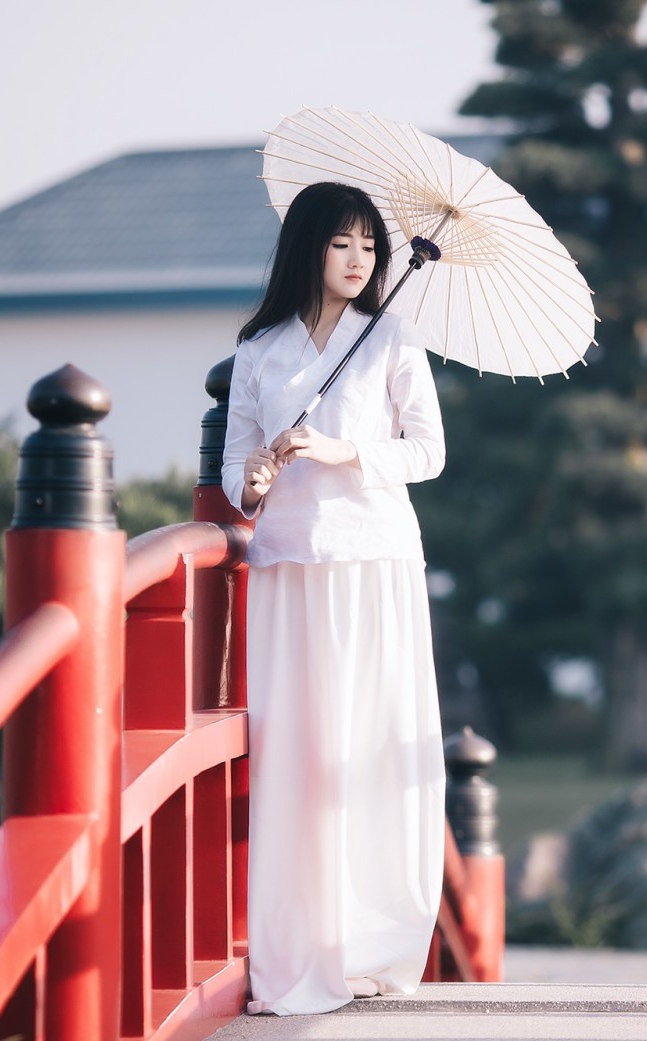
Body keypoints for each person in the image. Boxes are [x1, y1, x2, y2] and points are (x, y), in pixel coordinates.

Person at [221, 181, 447, 1016]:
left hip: (374, 562)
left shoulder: (391, 336)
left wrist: (343, 448)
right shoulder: (259, 349)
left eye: (369, 248)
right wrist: (249, 480)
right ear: (308, 247)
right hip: (290, 566)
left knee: (371, 744)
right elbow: (235, 467)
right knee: (298, 754)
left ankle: (371, 942)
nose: (358, 261)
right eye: (341, 244)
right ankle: (299, 945)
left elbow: (429, 452)